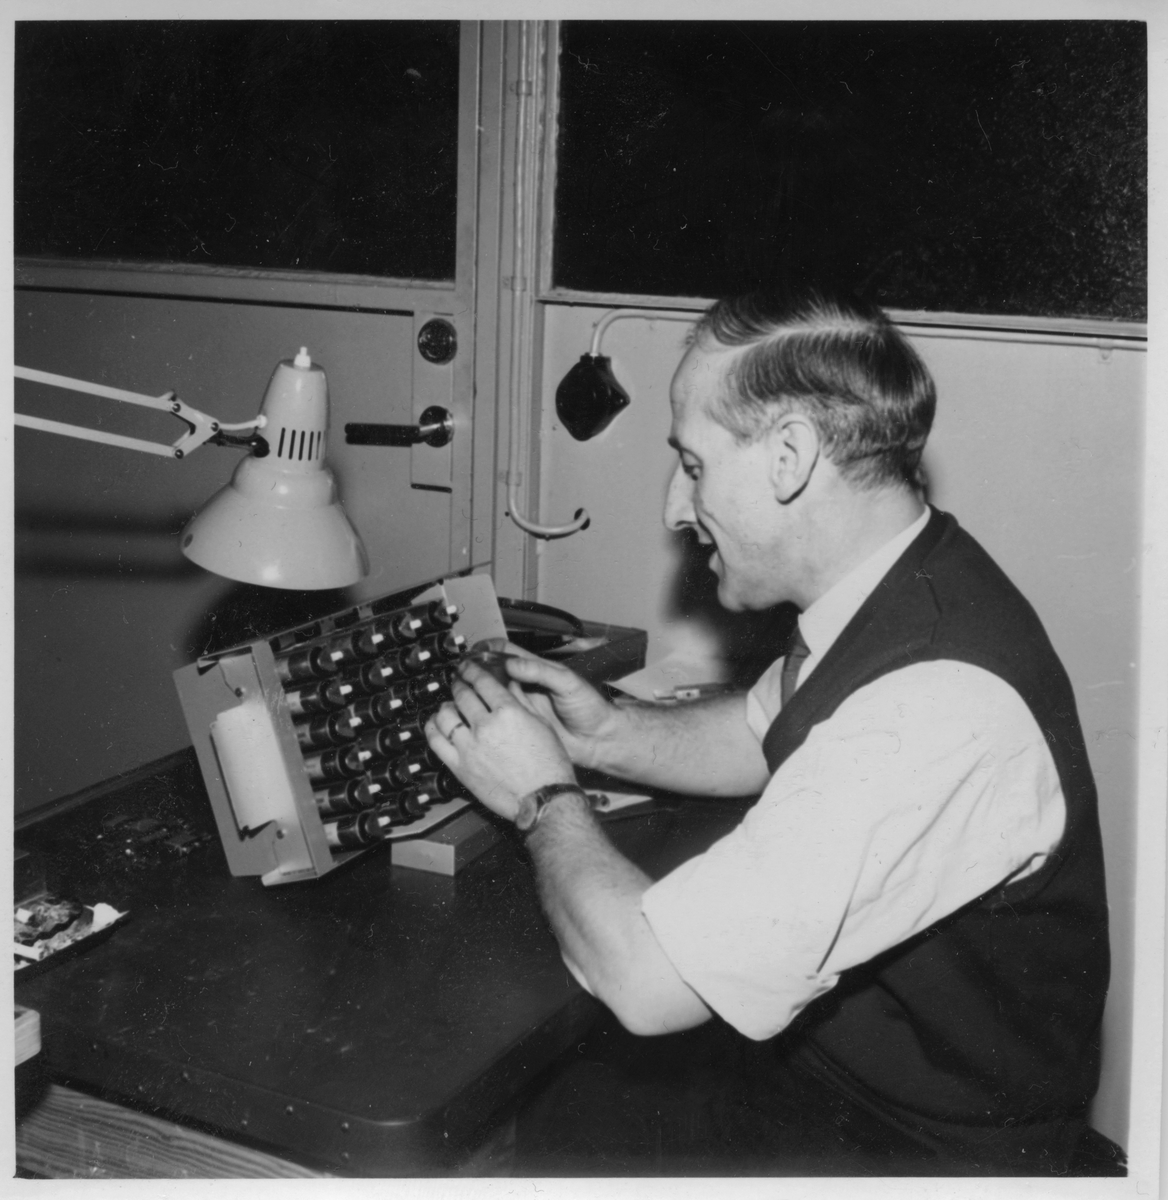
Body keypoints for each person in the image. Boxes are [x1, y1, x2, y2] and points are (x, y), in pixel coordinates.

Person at [424, 290, 1111, 1176]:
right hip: (840, 1080)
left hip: (919, 1152)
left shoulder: (934, 709)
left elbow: (646, 981)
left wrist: (542, 794)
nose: (675, 508)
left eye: (693, 465)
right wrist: (603, 734)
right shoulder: (904, 578)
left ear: (788, 457)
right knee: (569, 1103)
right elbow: (762, 729)